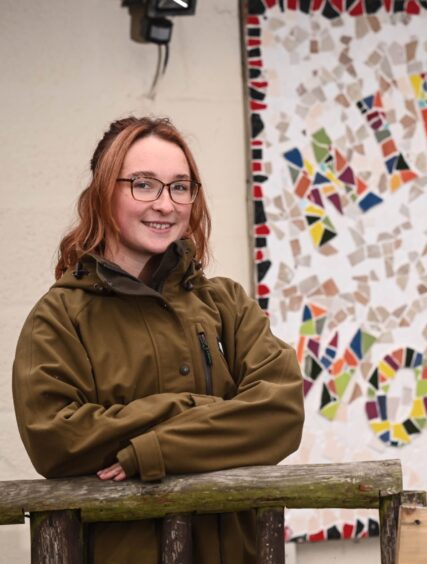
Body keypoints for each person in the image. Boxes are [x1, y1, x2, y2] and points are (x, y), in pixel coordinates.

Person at [12, 116, 304, 563]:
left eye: (180, 187)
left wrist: (153, 451)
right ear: (104, 192)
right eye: (144, 185)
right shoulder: (59, 318)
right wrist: (192, 407)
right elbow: (55, 439)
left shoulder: (226, 303)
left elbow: (281, 412)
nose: (166, 204)